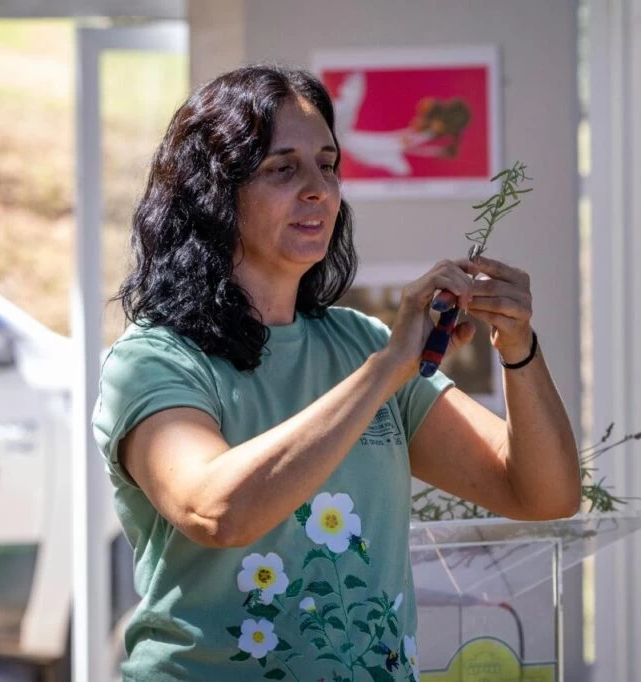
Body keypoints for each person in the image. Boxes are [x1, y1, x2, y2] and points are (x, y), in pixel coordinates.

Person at [92, 64, 580, 681]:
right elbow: (216, 512)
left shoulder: (359, 345)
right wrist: (384, 372)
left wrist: (518, 345)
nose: (319, 188)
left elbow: (542, 494)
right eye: (283, 168)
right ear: (214, 193)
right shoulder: (155, 358)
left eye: (328, 164)